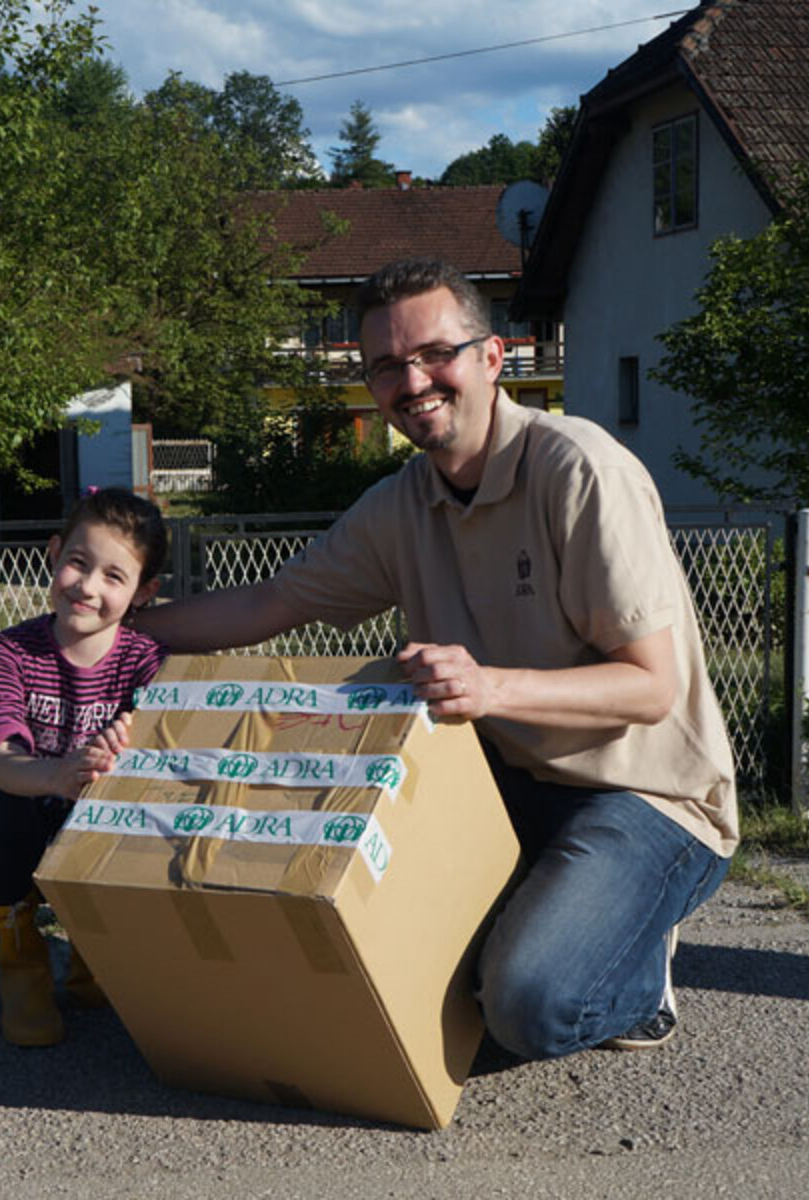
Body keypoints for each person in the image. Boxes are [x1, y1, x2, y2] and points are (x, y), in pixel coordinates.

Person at [132, 258, 738, 1057]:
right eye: (386, 366)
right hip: (500, 789)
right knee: (366, 956)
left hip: (644, 796)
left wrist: (487, 686)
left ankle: (636, 970)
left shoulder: (579, 470)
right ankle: (552, 913)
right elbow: (266, 606)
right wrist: (123, 633)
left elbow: (650, 687)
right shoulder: (401, 505)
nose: (413, 382)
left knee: (526, 1006)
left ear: (491, 358)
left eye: (435, 354)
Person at [0, 486, 169, 1046]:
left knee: (146, 819)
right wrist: (60, 774)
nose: (88, 586)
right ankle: (21, 956)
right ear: (54, 553)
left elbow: (163, 761)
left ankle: (95, 951)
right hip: (34, 814)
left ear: (144, 593)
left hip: (104, 829)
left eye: (114, 576)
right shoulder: (9, 651)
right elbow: (4, 761)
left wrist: (125, 753)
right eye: (78, 562)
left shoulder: (150, 663)